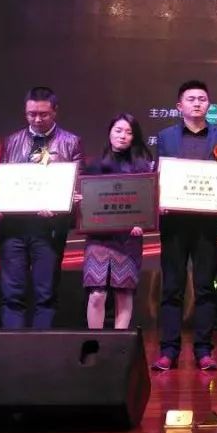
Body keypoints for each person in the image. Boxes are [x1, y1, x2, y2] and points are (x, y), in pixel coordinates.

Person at [151, 80, 217, 372]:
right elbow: (159, 174)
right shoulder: (165, 136)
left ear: (208, 105)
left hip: (207, 225)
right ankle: (168, 351)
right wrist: (159, 198)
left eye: (202, 99)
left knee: (204, 288)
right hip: (174, 223)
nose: (197, 103)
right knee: (172, 288)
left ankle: (203, 350)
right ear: (180, 106)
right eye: (191, 99)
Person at [0, 85, 83, 329]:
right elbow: (1, 182)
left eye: (43, 114)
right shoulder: (12, 141)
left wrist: (61, 204)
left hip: (49, 229)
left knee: (45, 294)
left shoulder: (71, 142)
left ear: (55, 111)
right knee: (12, 294)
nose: (37, 119)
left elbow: (77, 185)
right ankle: (13, 347)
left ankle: (40, 347)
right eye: (31, 114)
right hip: (13, 228)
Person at [79, 114, 153, 331]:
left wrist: (142, 222)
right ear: (110, 133)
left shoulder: (144, 168)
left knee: (124, 292)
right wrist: (79, 201)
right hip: (98, 239)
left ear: (134, 137)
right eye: (118, 130)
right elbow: (86, 201)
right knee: (96, 293)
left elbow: (148, 203)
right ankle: (96, 340)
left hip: (128, 240)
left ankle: (120, 344)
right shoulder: (94, 166)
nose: (123, 136)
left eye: (129, 132)